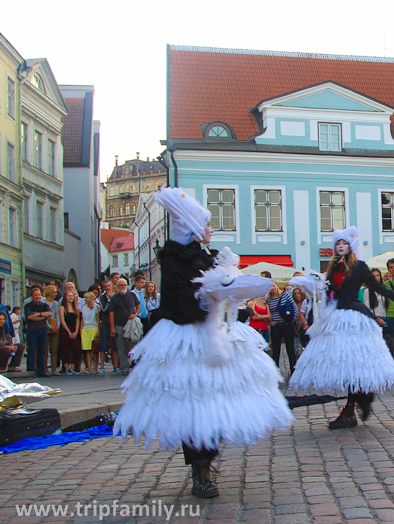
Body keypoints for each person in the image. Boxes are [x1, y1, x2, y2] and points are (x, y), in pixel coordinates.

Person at [114, 187, 292, 499]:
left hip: (215, 332)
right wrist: (209, 297)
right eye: (206, 225)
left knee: (217, 399)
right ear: (194, 230)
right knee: (193, 402)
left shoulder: (205, 256)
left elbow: (223, 293)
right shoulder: (173, 259)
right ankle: (200, 466)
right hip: (186, 336)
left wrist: (232, 294)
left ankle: (206, 458)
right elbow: (178, 299)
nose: (211, 230)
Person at [288, 226, 394, 429]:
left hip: (354, 318)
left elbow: (378, 287)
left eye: (344, 243)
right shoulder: (334, 267)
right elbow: (328, 291)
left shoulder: (359, 266)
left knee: (354, 362)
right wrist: (312, 284)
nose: (340, 247)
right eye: (337, 244)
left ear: (351, 246)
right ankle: (357, 402)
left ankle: (355, 404)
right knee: (343, 363)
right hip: (336, 316)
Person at [107, 279, 139, 375]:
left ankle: (134, 365)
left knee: (132, 345)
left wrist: (135, 314)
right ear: (117, 286)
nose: (123, 286)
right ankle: (124, 367)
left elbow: (138, 306)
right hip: (119, 324)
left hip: (130, 324)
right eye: (120, 285)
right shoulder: (114, 298)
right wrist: (112, 327)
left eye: (124, 285)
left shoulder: (132, 295)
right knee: (121, 347)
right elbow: (111, 313)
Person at [266, 283, 298, 375]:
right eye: (270, 287)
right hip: (276, 326)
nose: (272, 289)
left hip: (287, 325)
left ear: (277, 286)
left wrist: (292, 319)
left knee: (290, 349)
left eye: (273, 286)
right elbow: (268, 311)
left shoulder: (285, 295)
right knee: (276, 349)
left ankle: (293, 371)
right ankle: (275, 372)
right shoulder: (268, 299)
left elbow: (294, 306)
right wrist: (270, 321)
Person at [24, 287, 53, 377]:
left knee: (42, 351)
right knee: (31, 350)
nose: (38, 297)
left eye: (39, 295)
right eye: (36, 295)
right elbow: (29, 317)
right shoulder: (28, 306)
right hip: (32, 329)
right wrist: (42, 317)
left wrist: (38, 314)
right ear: (32, 296)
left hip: (42, 329)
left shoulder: (44, 305)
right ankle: (31, 370)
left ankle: (41, 370)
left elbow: (50, 313)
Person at [59, 290, 82, 375]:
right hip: (65, 329)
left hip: (74, 329)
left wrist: (76, 331)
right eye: (68, 296)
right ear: (65, 297)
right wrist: (68, 331)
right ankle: (66, 368)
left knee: (77, 349)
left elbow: (77, 320)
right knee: (64, 348)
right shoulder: (62, 307)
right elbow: (62, 320)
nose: (70, 297)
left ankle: (72, 367)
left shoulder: (75, 308)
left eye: (72, 296)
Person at [42, 286, 61, 376]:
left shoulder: (56, 303)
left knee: (54, 350)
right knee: (45, 349)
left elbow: (57, 314)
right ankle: (45, 368)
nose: (56, 294)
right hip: (46, 327)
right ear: (49, 293)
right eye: (54, 292)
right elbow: (44, 317)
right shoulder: (43, 303)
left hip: (55, 326)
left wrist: (58, 325)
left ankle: (54, 369)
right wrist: (49, 326)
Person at [80, 292, 100, 374]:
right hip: (85, 329)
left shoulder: (96, 307)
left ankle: (95, 367)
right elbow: (82, 320)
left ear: (91, 298)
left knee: (94, 350)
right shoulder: (83, 307)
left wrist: (98, 330)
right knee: (87, 350)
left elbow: (98, 319)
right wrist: (81, 330)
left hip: (93, 328)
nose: (85, 299)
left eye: (86, 298)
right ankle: (89, 367)